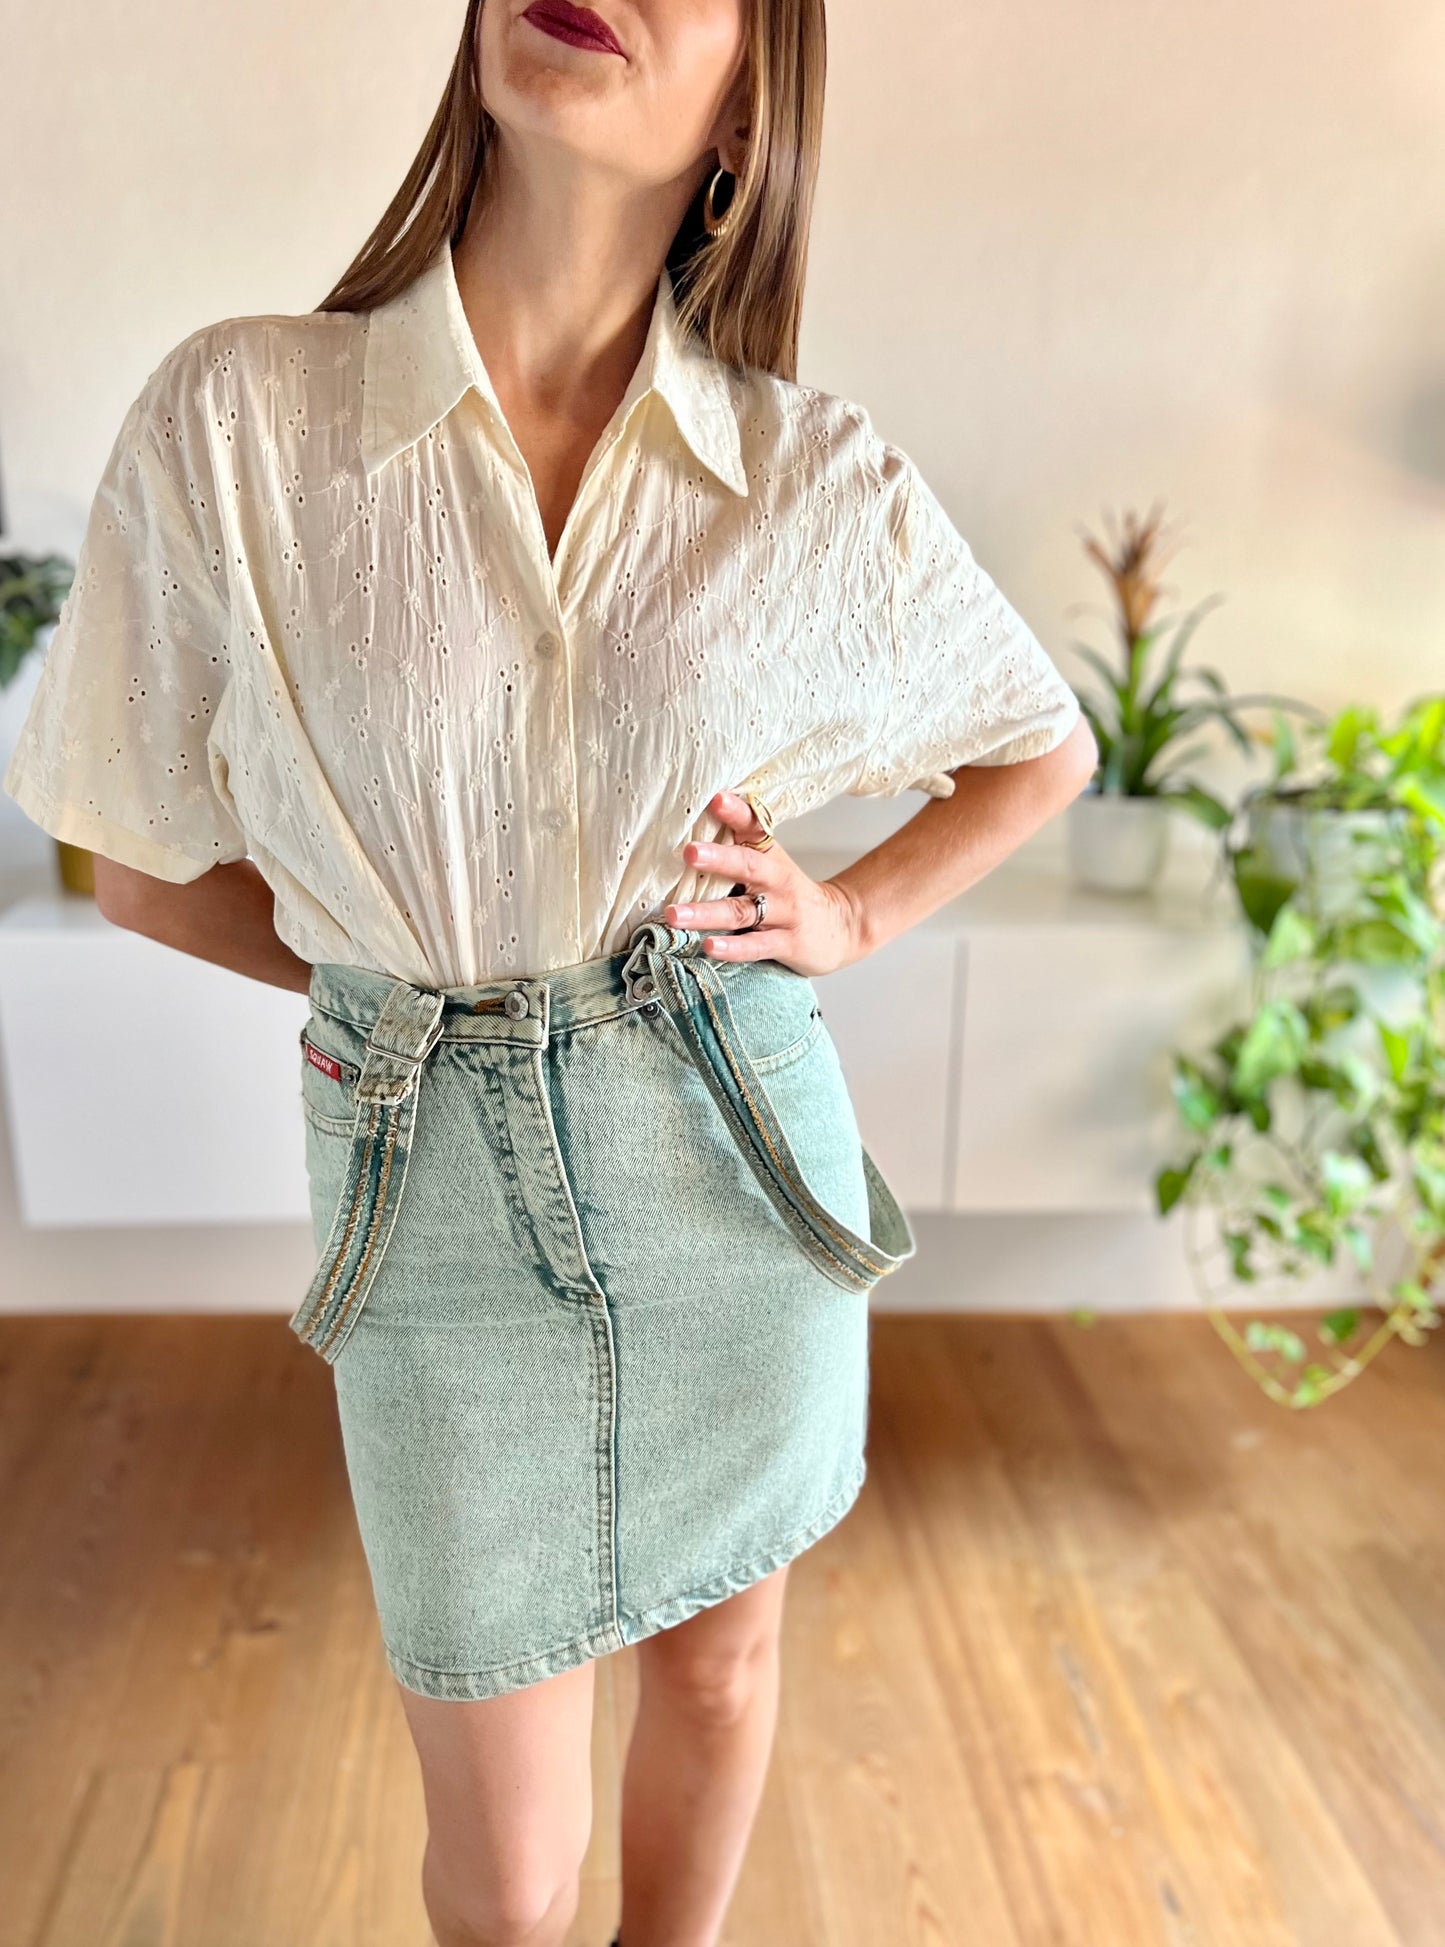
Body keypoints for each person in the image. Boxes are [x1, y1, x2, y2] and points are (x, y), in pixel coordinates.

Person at [4, 0, 1097, 1941]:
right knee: (505, 1884)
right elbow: (143, 863)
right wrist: (396, 984)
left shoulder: (805, 472)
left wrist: (841, 918)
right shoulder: (242, 421)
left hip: (728, 1144)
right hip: (423, 1186)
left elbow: (1042, 740)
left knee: (720, 1664)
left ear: (755, 95)